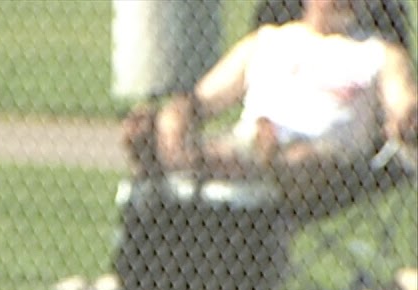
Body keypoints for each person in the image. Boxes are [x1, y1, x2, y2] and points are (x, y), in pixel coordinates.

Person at [123, 0, 418, 198]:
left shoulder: (378, 53)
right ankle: (182, 153)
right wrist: (174, 117)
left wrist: (405, 121)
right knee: (239, 144)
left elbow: (403, 105)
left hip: (328, 161)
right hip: (252, 141)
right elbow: (199, 101)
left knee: (300, 159)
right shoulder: (268, 41)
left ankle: (202, 160)